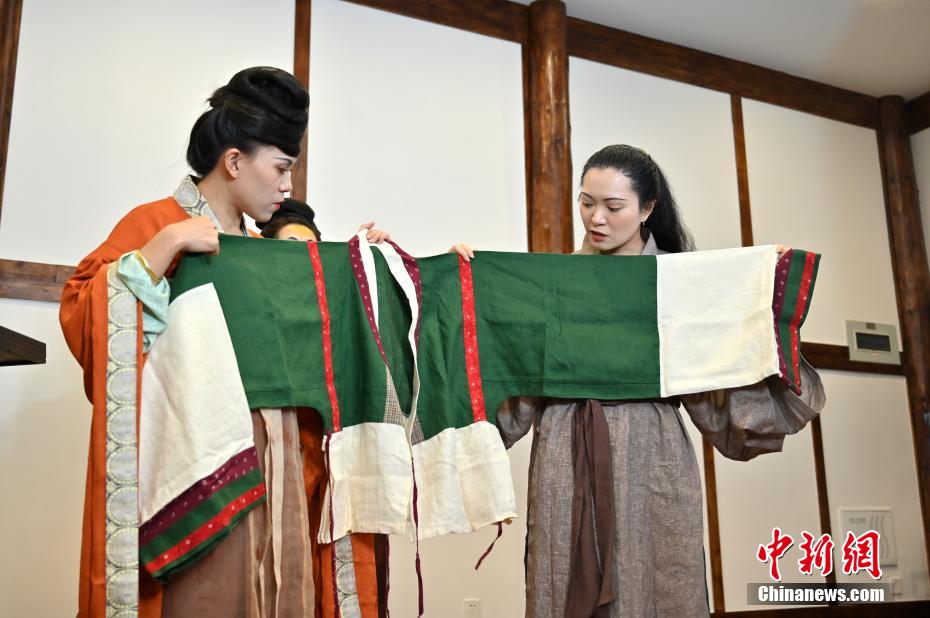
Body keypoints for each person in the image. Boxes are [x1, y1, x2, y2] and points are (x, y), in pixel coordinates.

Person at [60, 66, 387, 618]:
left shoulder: (270, 248)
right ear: (234, 161)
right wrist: (159, 251)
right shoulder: (156, 223)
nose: (288, 187)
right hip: (198, 459)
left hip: (282, 458)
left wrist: (365, 268)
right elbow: (84, 311)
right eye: (281, 168)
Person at [452, 144, 825, 617]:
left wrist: (755, 289)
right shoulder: (554, 284)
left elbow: (725, 396)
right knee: (561, 575)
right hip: (566, 452)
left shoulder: (677, 282)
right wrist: (465, 286)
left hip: (655, 455)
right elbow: (505, 385)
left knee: (659, 581)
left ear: (648, 208)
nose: (596, 218)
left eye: (613, 206)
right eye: (586, 202)